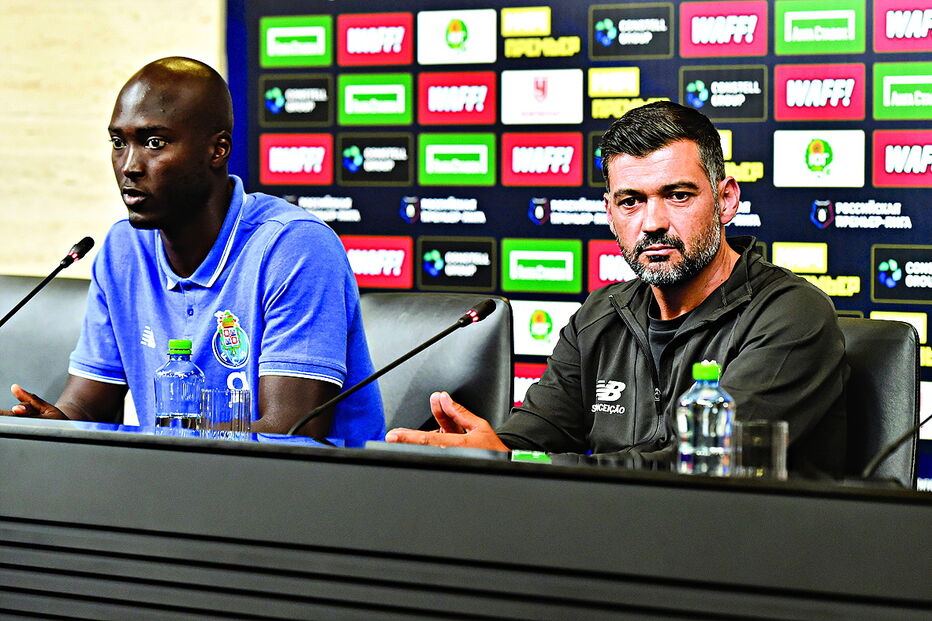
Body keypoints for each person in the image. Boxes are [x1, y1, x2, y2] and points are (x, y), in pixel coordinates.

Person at [387, 101, 847, 478]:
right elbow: (532, 438)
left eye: (678, 195)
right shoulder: (601, 315)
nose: (653, 223)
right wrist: (480, 451)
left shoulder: (790, 315)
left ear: (725, 199)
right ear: (610, 213)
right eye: (631, 201)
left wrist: (518, 460)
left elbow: (700, 471)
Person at [1, 57, 384, 447]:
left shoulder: (293, 247)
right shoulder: (123, 249)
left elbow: (289, 433)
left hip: (310, 496)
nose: (129, 166)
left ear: (217, 150)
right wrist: (45, 426)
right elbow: (85, 410)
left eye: (154, 143)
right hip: (175, 486)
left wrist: (163, 443)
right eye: (119, 143)